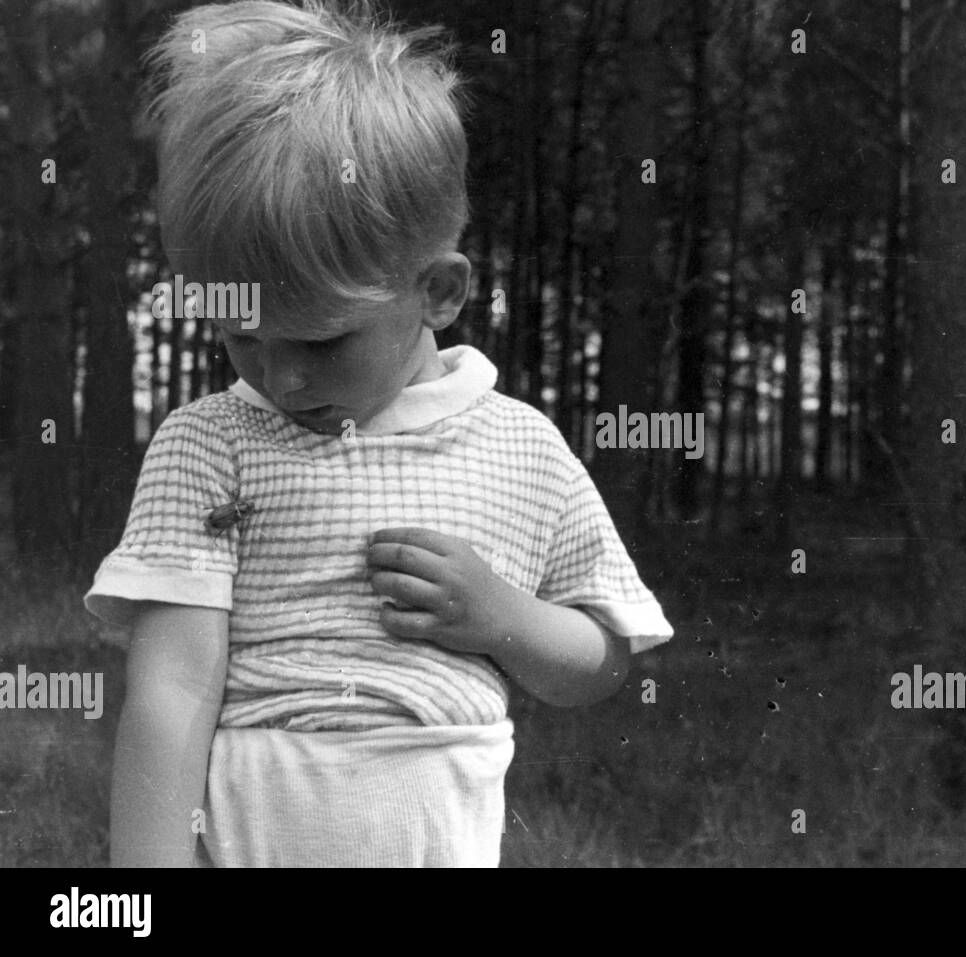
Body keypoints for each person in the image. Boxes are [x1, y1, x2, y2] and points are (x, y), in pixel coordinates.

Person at [84, 0, 672, 867]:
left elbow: (601, 658)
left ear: (438, 291)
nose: (280, 378)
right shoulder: (210, 446)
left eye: (322, 341)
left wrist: (501, 616)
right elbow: (170, 691)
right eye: (242, 333)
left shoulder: (519, 447)